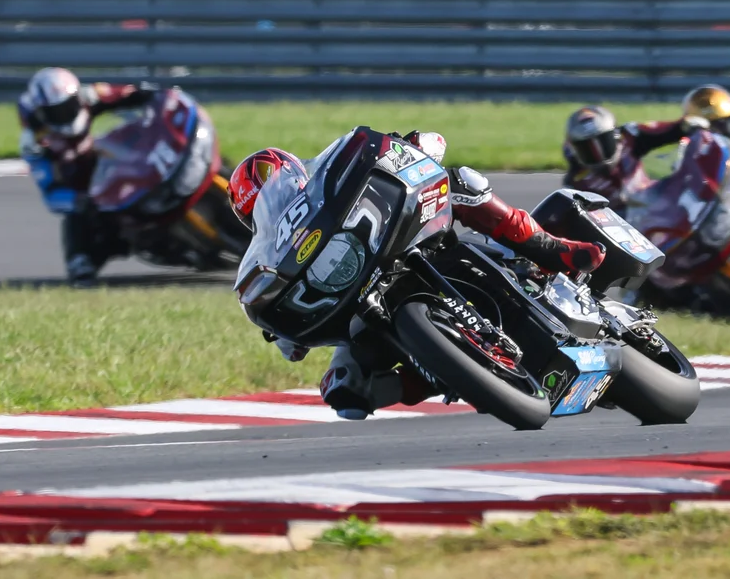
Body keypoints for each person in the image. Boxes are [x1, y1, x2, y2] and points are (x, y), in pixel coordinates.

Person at [230, 130, 606, 420]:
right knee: (343, 393)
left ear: (295, 174)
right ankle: (447, 373)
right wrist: (284, 327)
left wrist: (408, 147)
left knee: (460, 182)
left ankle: (552, 248)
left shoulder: (328, 181)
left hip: (409, 243)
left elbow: (413, 151)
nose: (277, 202)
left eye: (277, 187)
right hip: (357, 301)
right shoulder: (276, 251)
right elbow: (289, 345)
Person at [18, 67, 158, 285]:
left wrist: (150, 95)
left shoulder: (91, 94)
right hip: (86, 189)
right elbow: (50, 192)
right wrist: (79, 200)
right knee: (76, 212)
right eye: (56, 111)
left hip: (113, 160)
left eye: (67, 106)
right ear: (41, 112)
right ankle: (79, 262)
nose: (64, 114)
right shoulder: (34, 142)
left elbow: (130, 93)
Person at [562, 105, 710, 214]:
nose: (597, 152)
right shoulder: (576, 179)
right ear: (575, 150)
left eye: (603, 141)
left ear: (615, 135)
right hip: (617, 227)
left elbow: (666, 130)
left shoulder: (630, 136)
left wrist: (686, 126)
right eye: (586, 148)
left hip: (653, 204)